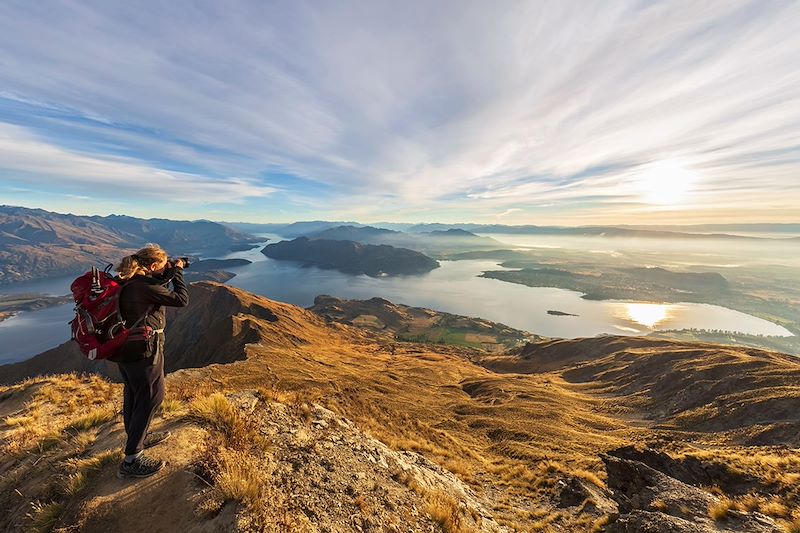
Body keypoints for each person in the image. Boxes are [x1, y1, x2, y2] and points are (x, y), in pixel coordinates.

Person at [111, 244, 188, 478]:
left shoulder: (129, 280)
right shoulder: (143, 287)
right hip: (144, 350)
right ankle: (132, 459)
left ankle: (138, 437)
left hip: (123, 348)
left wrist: (170, 270)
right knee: (153, 395)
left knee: (134, 393)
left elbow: (155, 285)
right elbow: (181, 299)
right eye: (162, 266)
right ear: (153, 267)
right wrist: (179, 274)